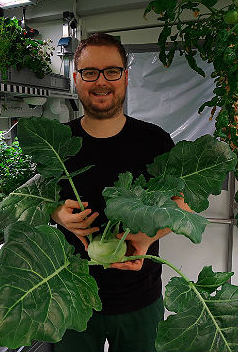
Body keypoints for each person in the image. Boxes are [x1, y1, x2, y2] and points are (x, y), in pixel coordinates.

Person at [51, 33, 190, 352]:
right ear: (76, 79)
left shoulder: (155, 141)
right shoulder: (57, 142)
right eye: (89, 72)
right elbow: (43, 197)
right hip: (72, 298)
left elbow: (182, 207)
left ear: (125, 76)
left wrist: (146, 239)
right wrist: (56, 212)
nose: (101, 82)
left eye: (111, 71)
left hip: (139, 299)